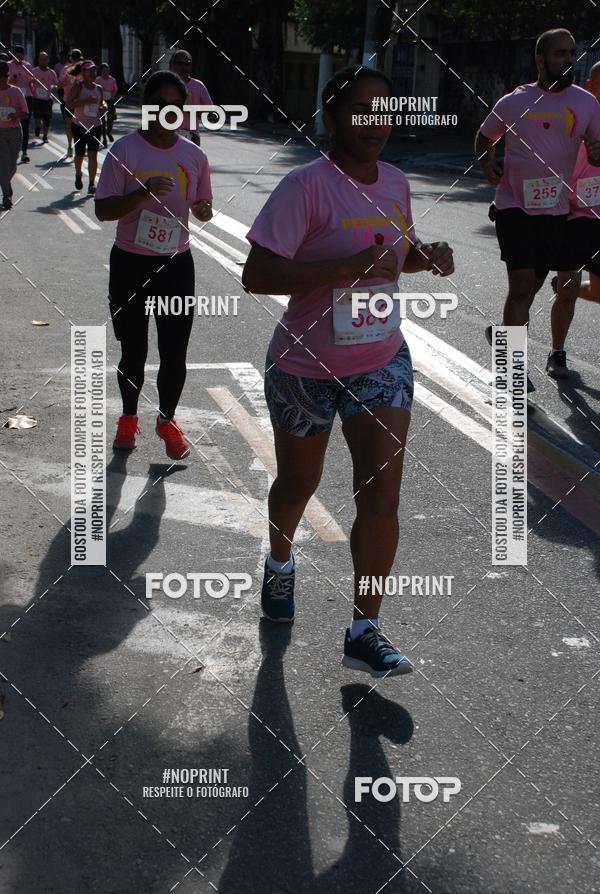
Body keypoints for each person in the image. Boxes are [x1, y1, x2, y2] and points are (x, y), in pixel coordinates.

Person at [242, 65, 454, 678]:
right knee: (297, 484)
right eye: (359, 111)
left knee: (381, 494)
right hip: (305, 366)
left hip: (380, 360)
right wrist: (343, 268)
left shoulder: (395, 182)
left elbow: (392, 256)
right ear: (331, 119)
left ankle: (365, 629)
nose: (374, 124)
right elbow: (257, 274)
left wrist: (424, 257)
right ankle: (280, 561)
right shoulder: (305, 187)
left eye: (384, 111)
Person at [95, 70, 213, 460]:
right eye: (160, 104)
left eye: (175, 106)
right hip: (130, 263)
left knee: (174, 352)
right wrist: (142, 194)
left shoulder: (194, 156)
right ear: (147, 107)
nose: (167, 112)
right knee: (133, 350)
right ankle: (128, 418)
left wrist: (204, 210)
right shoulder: (124, 151)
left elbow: (203, 207)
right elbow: (102, 210)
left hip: (175, 266)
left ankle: (167, 420)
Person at [475, 28, 600, 389]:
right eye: (560, 54)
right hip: (514, 206)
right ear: (540, 60)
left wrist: (596, 152)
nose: (569, 60)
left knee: (531, 287)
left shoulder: (586, 104)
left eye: (572, 53)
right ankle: (512, 370)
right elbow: (485, 136)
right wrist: (487, 163)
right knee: (520, 285)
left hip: (555, 211)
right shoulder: (514, 102)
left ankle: (504, 336)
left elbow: (596, 147)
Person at [547, 61, 600, 376]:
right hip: (570, 215)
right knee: (564, 288)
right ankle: (557, 353)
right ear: (590, 85)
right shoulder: (574, 116)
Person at [66, 60, 104, 194]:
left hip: (95, 126)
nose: (93, 73)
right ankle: (78, 174)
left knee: (93, 155)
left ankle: (92, 184)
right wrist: (85, 101)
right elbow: (68, 104)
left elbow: (101, 104)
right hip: (79, 126)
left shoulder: (99, 88)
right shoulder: (78, 87)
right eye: (90, 70)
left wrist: (104, 107)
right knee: (80, 154)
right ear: (83, 72)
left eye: (94, 70)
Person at [0, 60, 30, 209]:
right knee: (4, 164)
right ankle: (6, 196)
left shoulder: (16, 92)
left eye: (4, 78)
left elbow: (25, 113)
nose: (2, 81)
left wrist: (16, 115)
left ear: (8, 77)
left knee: (12, 166)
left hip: (15, 132)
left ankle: (5, 182)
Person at [168, 50, 212, 145]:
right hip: (169, 136)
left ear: (191, 66)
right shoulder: (165, 86)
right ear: (172, 66)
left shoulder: (198, 86)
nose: (183, 67)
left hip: (191, 137)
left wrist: (192, 110)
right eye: (179, 64)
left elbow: (209, 111)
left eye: (187, 63)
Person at [7, 45, 33, 163]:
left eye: (21, 56)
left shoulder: (28, 66)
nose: (19, 58)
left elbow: (31, 81)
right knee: (10, 124)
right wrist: (11, 80)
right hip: (11, 100)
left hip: (26, 98)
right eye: (17, 55)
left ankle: (24, 152)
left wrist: (32, 85)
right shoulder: (8, 65)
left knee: (25, 126)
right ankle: (10, 150)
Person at [59, 48, 83, 158]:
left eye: (78, 59)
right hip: (69, 102)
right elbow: (60, 85)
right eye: (75, 59)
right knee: (69, 125)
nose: (77, 61)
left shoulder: (84, 69)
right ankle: (69, 146)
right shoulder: (66, 69)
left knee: (81, 125)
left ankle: (80, 147)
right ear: (71, 59)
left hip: (81, 102)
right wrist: (67, 80)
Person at [30, 51, 58, 144]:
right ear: (38, 60)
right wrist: (32, 86)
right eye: (41, 59)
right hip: (37, 99)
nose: (43, 61)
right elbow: (29, 82)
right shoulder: (34, 71)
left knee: (47, 119)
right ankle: (38, 127)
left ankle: (45, 136)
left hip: (47, 99)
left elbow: (56, 83)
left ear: (48, 60)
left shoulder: (52, 72)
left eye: (45, 59)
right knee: (38, 118)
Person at [96, 62, 118, 147]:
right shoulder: (98, 80)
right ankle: (104, 138)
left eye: (107, 71)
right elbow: (94, 88)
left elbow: (115, 89)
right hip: (101, 101)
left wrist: (112, 95)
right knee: (103, 121)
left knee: (110, 120)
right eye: (104, 71)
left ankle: (108, 132)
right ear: (101, 71)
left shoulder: (112, 80)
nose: (106, 72)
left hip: (109, 100)